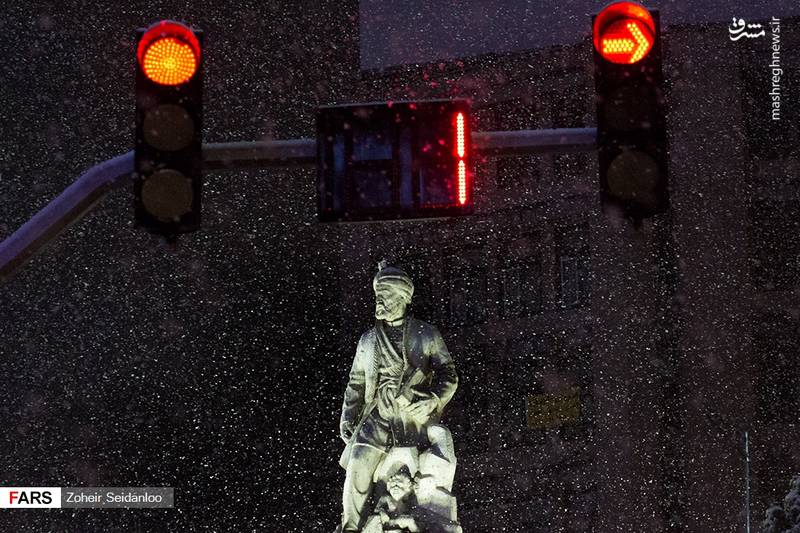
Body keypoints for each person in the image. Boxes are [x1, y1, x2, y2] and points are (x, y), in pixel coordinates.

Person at [337, 261, 458, 533]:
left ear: (403, 297)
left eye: (386, 296)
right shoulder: (367, 341)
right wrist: (348, 417)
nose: (380, 302)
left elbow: (448, 373)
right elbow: (355, 384)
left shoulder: (426, 334)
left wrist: (434, 400)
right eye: (378, 297)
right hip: (377, 415)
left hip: (413, 416)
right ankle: (351, 528)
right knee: (357, 464)